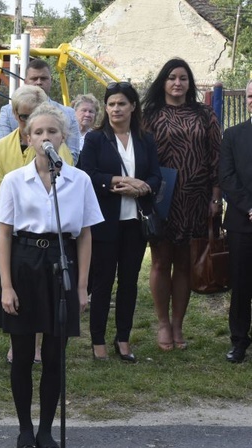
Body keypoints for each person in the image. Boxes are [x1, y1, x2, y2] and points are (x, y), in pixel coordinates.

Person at [0, 103, 102, 448]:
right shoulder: (14, 180)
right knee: (23, 352)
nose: (45, 137)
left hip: (62, 262)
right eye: (38, 132)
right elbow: (5, 235)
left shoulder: (79, 180)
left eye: (52, 132)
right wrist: (6, 285)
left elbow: (85, 235)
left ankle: (46, 430)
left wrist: (82, 285)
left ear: (63, 138)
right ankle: (25, 428)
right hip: (25, 263)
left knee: (55, 354)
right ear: (27, 139)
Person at [0, 85, 73, 364]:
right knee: (13, 292)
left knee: (46, 292)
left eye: (34, 116)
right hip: (12, 230)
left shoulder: (61, 151)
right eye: (23, 117)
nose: (29, 123)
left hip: (47, 233)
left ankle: (37, 344)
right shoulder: (2, 147)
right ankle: (21, 340)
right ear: (15, 116)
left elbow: (66, 183)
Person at [78, 82, 162, 362]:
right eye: (111, 104)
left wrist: (143, 188)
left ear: (133, 107)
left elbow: (155, 176)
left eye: (121, 104)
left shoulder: (145, 139)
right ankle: (98, 341)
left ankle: (123, 339)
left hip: (135, 223)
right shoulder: (96, 139)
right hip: (105, 222)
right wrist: (116, 180)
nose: (115, 109)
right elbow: (86, 174)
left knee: (129, 283)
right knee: (102, 283)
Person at [142, 58, 222, 351]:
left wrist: (216, 197)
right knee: (162, 261)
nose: (178, 83)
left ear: (190, 83)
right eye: (172, 77)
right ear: (163, 81)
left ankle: (178, 325)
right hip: (162, 198)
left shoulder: (204, 115)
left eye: (183, 78)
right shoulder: (149, 115)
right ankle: (163, 324)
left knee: (185, 263)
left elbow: (217, 156)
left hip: (196, 198)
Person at [219, 79, 252, 363]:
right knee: (241, 285)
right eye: (251, 96)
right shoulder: (232, 135)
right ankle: (239, 341)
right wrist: (250, 208)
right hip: (243, 222)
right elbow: (226, 177)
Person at [0, 59, 81, 162]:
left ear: (51, 80)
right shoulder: (8, 112)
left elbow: (72, 156)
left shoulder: (68, 114)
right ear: (26, 82)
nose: (39, 82)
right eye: (34, 78)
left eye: (43, 78)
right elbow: (2, 152)